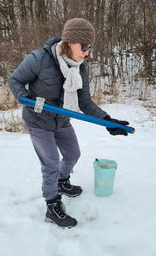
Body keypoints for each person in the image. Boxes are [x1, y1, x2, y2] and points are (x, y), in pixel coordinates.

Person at [8, 18, 129, 228]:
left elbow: (85, 103)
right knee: (51, 162)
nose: (87, 52)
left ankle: (62, 182)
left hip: (61, 119)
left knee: (73, 154)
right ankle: (52, 204)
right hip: (38, 120)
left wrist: (108, 121)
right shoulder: (38, 59)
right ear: (70, 42)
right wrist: (23, 97)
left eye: (89, 48)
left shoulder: (79, 69)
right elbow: (14, 80)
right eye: (84, 47)